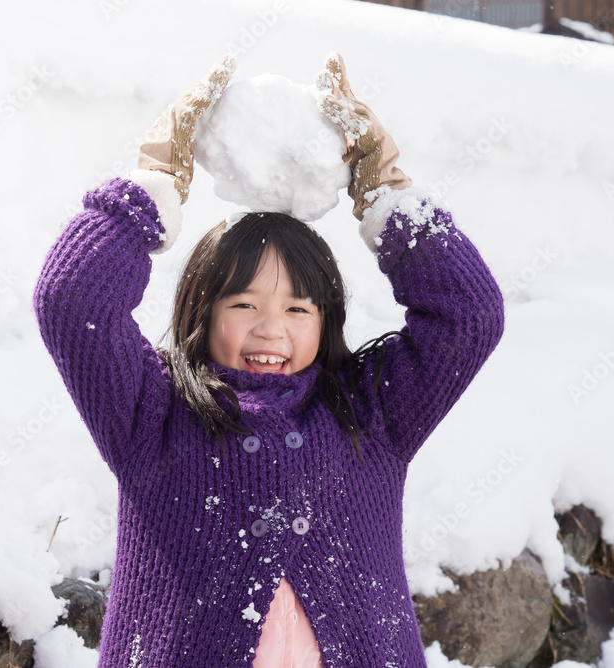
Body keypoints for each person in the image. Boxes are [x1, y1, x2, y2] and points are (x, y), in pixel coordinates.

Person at [33, 52, 504, 667]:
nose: (270, 331)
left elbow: (468, 315)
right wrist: (152, 184)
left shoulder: (372, 411)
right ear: (202, 310)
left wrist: (387, 195)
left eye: (299, 310)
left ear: (327, 320)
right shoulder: (150, 413)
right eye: (244, 303)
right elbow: (72, 299)